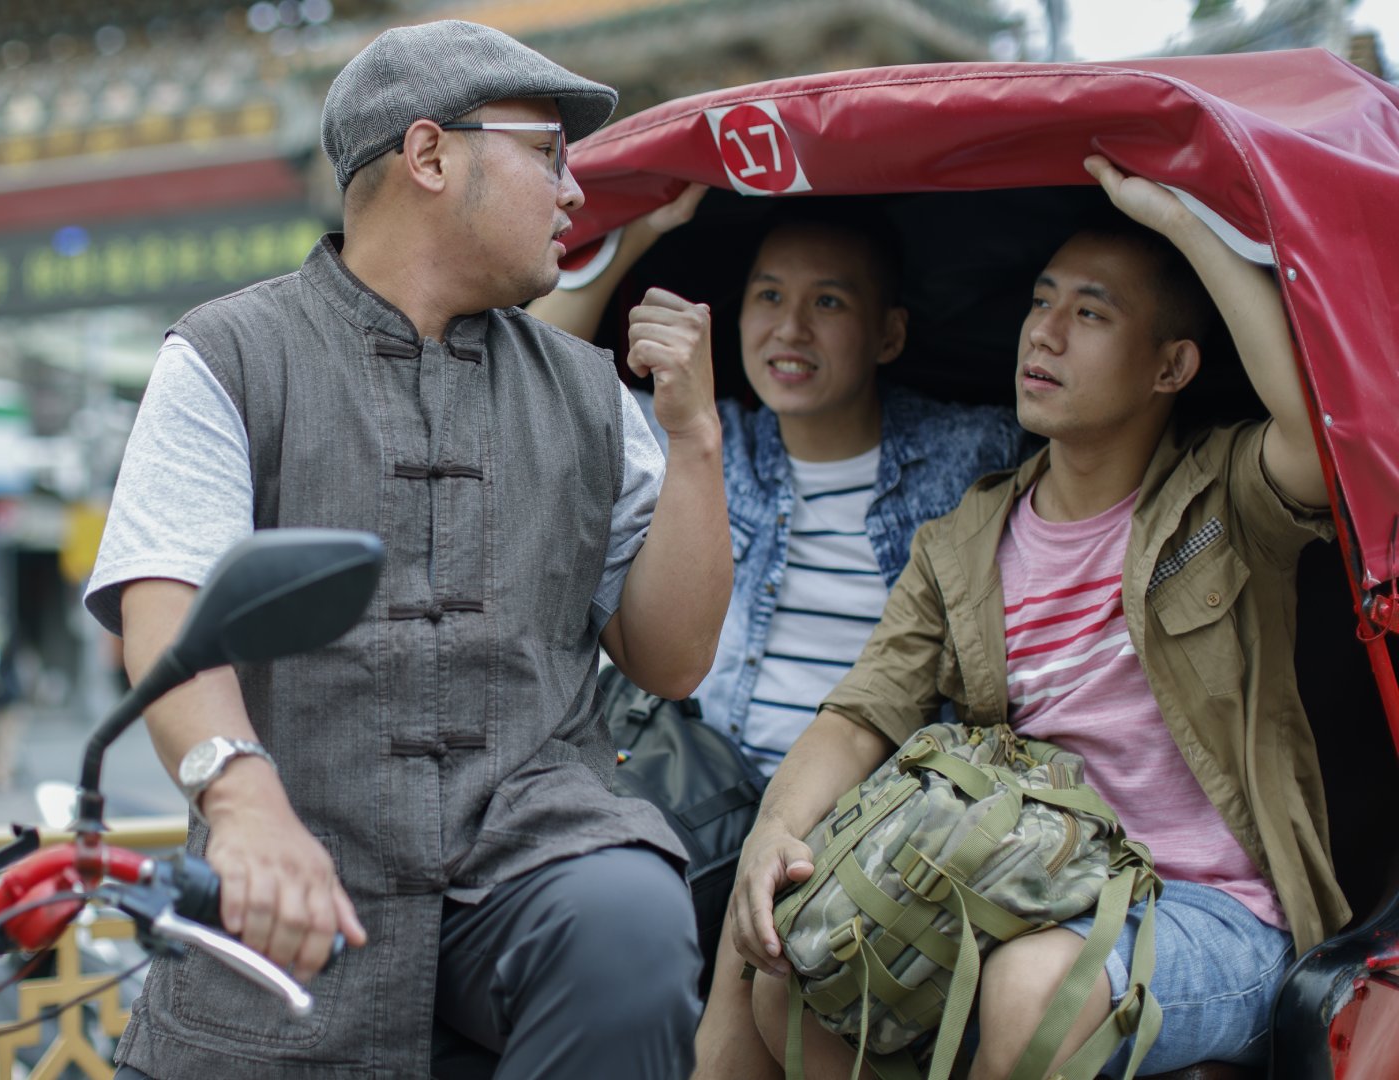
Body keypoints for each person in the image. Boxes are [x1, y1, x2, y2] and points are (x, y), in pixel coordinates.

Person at [83, 20, 732, 1080]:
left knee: (628, 918)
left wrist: (696, 441)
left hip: (530, 864)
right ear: (429, 156)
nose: (576, 191)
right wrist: (242, 802)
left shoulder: (586, 392)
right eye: (547, 153)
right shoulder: (229, 355)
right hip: (293, 873)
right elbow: (169, 605)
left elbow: (671, 659)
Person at [718, 156, 1345, 1078]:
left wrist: (1185, 226)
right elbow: (862, 715)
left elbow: (1315, 431)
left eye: (1089, 313)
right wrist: (773, 837)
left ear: (1171, 365)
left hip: (1210, 911)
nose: (1043, 335)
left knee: (1033, 985)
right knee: (792, 971)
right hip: (1019, 887)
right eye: (1040, 303)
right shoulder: (964, 541)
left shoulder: (1221, 503)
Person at [533, 191, 1027, 773]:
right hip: (704, 802)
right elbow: (540, 380)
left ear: (890, 335)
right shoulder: (704, 443)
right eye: (769, 295)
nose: (791, 329)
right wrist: (639, 227)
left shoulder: (975, 452)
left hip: (887, 826)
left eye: (829, 302)